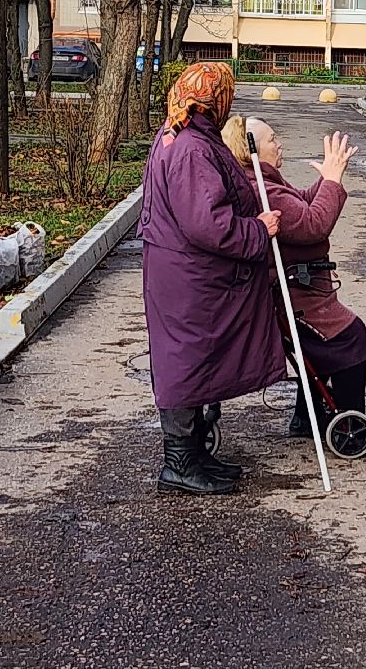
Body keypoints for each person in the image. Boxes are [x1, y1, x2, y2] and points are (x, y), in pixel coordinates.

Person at [138, 63, 285, 496]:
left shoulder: (181, 134)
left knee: (192, 358)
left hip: (183, 273)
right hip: (189, 278)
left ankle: (194, 455)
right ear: (212, 99)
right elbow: (208, 223)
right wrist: (258, 229)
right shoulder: (191, 147)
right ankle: (179, 462)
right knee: (185, 360)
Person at [223, 116, 366, 455]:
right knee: (349, 335)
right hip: (294, 291)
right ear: (252, 152)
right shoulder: (261, 187)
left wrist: (328, 179)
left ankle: (307, 416)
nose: (280, 144)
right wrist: (332, 181)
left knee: (319, 348)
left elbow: (302, 202)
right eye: (272, 140)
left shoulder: (265, 182)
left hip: (301, 284)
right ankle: (350, 424)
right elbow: (312, 224)